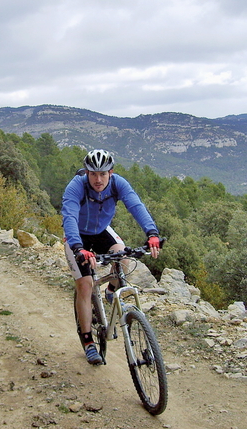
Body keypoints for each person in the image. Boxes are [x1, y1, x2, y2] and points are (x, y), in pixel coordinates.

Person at [61, 149, 161, 365]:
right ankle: (88, 342)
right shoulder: (76, 186)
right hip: (77, 236)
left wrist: (152, 233)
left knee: (123, 257)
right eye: (93, 174)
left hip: (102, 230)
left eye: (103, 174)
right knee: (86, 285)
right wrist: (78, 248)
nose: (98, 179)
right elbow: (69, 215)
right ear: (87, 173)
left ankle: (110, 291)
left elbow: (136, 206)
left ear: (111, 173)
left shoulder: (119, 184)